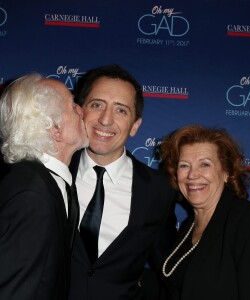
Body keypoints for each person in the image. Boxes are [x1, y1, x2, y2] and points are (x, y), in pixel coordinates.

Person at [68, 64, 177, 300]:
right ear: (79, 111)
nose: (105, 120)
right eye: (97, 105)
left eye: (121, 110)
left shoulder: (159, 190)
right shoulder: (50, 173)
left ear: (135, 125)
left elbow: (168, 270)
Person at [159, 124, 250, 300]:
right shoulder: (188, 227)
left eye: (204, 164)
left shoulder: (249, 220)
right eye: (184, 165)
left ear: (226, 172)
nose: (192, 175)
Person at [0, 73, 89, 300]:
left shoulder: (44, 182)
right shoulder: (32, 194)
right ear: (55, 130)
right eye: (72, 105)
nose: (82, 110)